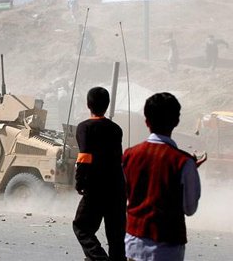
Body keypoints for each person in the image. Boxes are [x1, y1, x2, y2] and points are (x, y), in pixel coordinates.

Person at [122, 92, 206, 261]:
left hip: (133, 244)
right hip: (168, 248)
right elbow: (190, 209)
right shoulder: (184, 162)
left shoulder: (129, 155)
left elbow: (125, 194)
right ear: (176, 122)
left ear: (146, 121)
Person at [73, 87, 127, 261]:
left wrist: (80, 182)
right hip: (117, 187)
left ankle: (98, 258)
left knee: (82, 227)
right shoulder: (116, 129)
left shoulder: (84, 128)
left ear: (88, 105)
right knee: (116, 236)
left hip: (95, 188)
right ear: (108, 104)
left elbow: (85, 157)